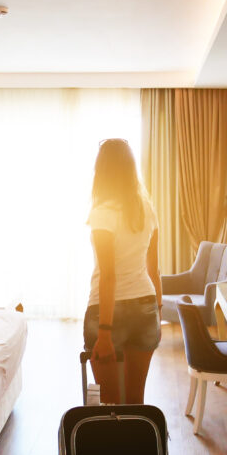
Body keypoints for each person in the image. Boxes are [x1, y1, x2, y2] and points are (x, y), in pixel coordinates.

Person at [84, 138, 161, 404]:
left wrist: (105, 332)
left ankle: (116, 437)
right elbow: (154, 269)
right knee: (136, 401)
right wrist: (157, 312)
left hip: (107, 313)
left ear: (101, 170)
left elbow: (109, 275)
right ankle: (139, 435)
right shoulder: (147, 210)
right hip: (145, 307)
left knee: (110, 403)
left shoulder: (102, 213)